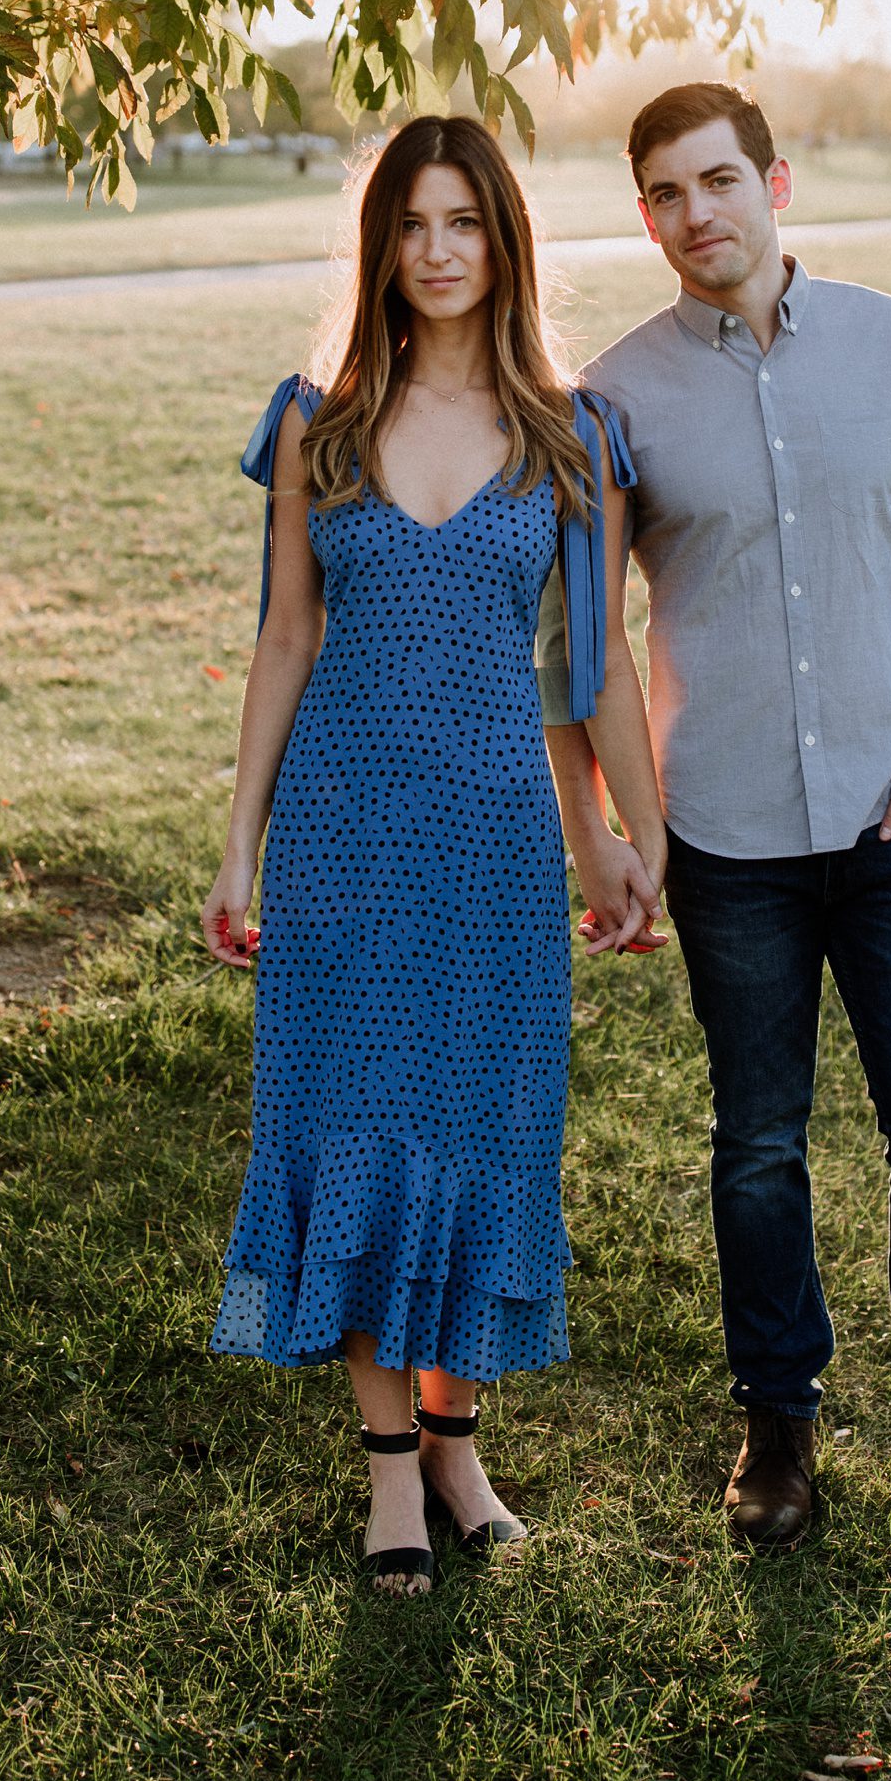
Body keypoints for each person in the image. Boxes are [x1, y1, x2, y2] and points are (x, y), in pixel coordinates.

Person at [538, 81, 891, 1571]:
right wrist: (619, 830)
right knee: (758, 1145)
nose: (696, 216)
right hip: (732, 843)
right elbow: (587, 639)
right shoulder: (613, 395)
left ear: (776, 181)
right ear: (644, 216)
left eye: (718, 182)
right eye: (663, 196)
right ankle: (778, 1423)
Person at [202, 114, 666, 1595]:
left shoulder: (571, 432)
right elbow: (284, 637)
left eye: (466, 220)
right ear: (381, 247)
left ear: (505, 240)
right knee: (353, 1123)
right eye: (413, 224)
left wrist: (627, 845)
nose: (440, 249)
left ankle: (462, 1444)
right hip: (344, 834)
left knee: (480, 1128)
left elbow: (592, 666)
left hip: (496, 845)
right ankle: (391, 1471)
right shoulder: (314, 424)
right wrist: (238, 846)